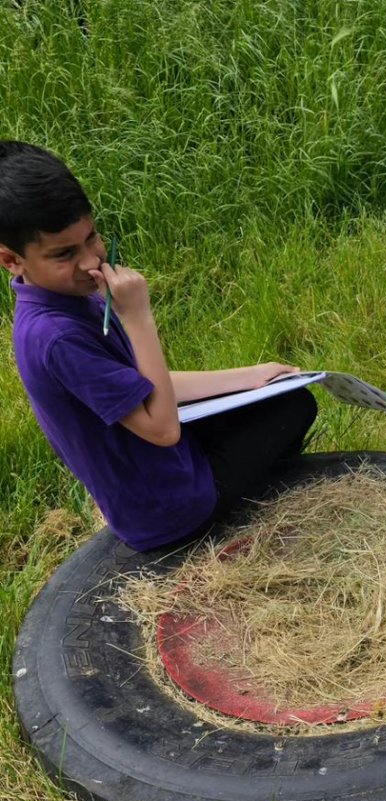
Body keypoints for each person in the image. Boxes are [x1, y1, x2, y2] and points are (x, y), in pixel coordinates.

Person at [0, 141, 316, 553]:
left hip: (155, 471)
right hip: (169, 510)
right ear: (11, 260)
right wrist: (138, 318)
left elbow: (144, 385)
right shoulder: (57, 338)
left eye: (92, 237)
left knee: (275, 397)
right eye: (64, 254)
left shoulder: (66, 296)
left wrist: (251, 376)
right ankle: (229, 524)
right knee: (294, 409)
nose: (91, 261)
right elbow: (163, 430)